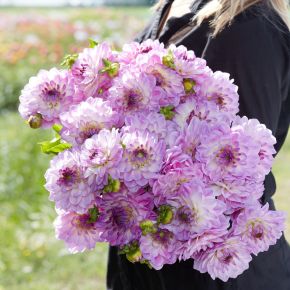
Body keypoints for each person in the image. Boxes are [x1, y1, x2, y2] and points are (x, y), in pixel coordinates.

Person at [106, 0, 290, 289]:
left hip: (214, 271)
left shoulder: (246, 27)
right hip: (148, 259)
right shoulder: (170, 7)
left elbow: (240, 174)